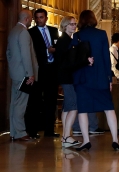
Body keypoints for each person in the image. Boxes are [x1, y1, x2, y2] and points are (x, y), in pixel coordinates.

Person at [72, 10, 119, 151]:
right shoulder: (101, 34)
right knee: (108, 108)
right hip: (99, 77)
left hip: (83, 78)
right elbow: (106, 58)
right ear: (93, 19)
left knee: (83, 110)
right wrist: (109, 79)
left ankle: (86, 140)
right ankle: (115, 139)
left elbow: (72, 58)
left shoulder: (77, 35)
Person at [25, 8, 60, 138]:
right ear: (34, 19)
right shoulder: (30, 33)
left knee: (51, 100)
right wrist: (47, 51)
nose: (39, 19)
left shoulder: (54, 30)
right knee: (35, 101)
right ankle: (33, 131)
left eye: (41, 17)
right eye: (37, 17)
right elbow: (31, 50)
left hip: (52, 70)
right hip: (38, 70)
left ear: (46, 18)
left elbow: (58, 47)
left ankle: (49, 130)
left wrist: (55, 51)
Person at [6, 9, 38, 141]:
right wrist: (30, 74)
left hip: (15, 73)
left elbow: (8, 53)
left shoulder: (13, 31)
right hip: (24, 75)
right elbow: (26, 55)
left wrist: (13, 67)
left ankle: (13, 132)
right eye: (31, 18)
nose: (32, 21)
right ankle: (20, 132)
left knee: (14, 103)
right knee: (21, 104)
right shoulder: (24, 32)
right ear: (27, 19)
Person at [53, 16, 80, 148]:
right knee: (73, 106)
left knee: (66, 107)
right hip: (67, 77)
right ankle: (66, 136)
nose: (74, 26)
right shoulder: (65, 41)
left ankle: (66, 135)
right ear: (64, 26)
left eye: (75, 24)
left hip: (65, 76)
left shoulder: (66, 40)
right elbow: (67, 62)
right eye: (71, 24)